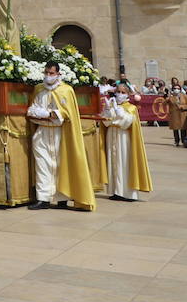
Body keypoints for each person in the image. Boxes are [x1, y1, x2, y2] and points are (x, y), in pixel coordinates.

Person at [27, 63, 96, 210]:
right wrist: (44, 114)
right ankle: (43, 198)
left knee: (60, 165)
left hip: (61, 133)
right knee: (42, 165)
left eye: (51, 73)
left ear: (58, 74)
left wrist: (48, 113)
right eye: (46, 72)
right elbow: (32, 110)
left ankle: (62, 198)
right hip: (42, 132)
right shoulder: (39, 89)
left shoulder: (66, 90)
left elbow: (66, 114)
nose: (48, 76)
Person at [101, 90, 152, 201]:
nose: (120, 94)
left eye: (122, 92)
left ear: (128, 94)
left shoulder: (131, 108)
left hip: (123, 136)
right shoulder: (111, 104)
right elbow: (106, 122)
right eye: (118, 91)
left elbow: (128, 123)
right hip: (111, 134)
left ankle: (128, 193)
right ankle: (115, 191)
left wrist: (120, 113)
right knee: (113, 161)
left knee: (124, 162)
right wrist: (108, 110)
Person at [169, 81, 187, 147]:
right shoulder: (171, 97)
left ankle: (184, 141)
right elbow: (164, 103)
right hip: (174, 114)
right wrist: (169, 96)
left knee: (183, 129)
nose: (176, 90)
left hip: (183, 114)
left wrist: (183, 107)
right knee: (175, 129)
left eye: (178, 88)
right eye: (175, 88)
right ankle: (176, 141)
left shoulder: (184, 96)